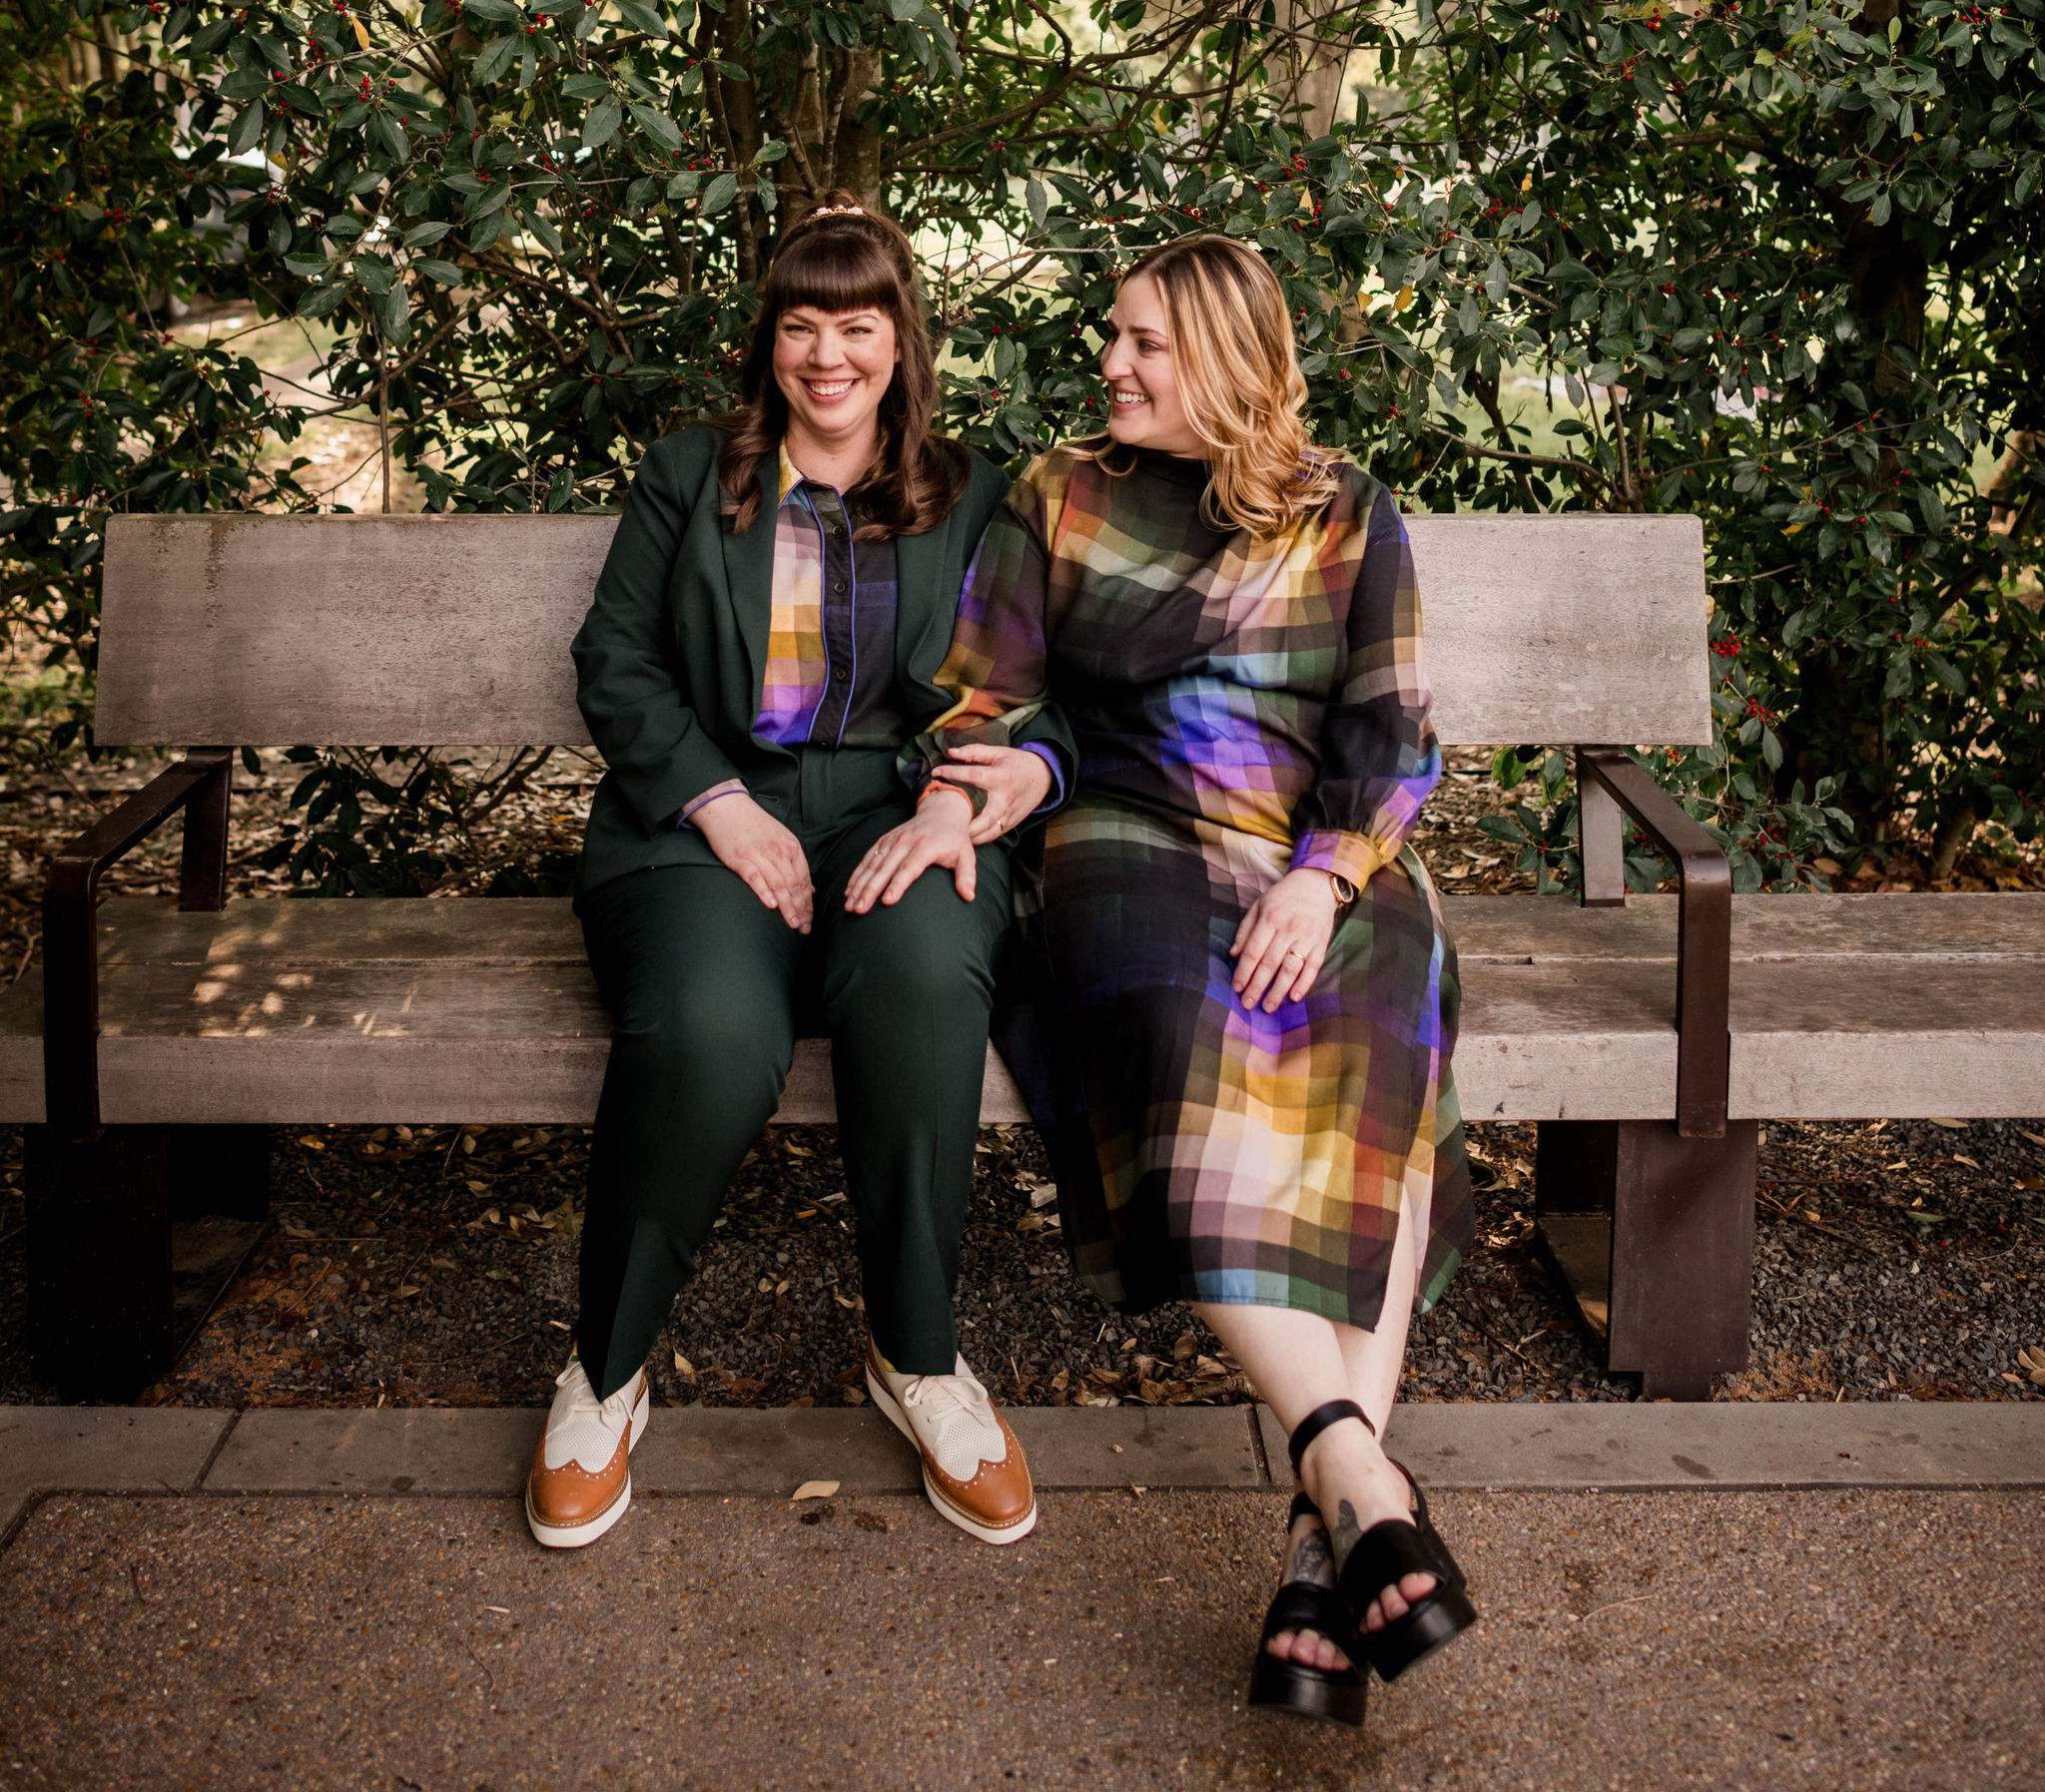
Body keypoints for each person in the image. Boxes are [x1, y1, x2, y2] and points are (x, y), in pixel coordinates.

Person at [913, 232, 1477, 1726]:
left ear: (1228, 355)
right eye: (1116, 336)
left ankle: (1327, 1540)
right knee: (1169, 1046)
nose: (1112, 362)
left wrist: (1327, 871)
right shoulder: (1059, 496)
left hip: (1313, 844)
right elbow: (1000, 698)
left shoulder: (1347, 510)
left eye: (1146, 342)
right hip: (1129, 836)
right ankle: (1359, 1465)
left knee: (1382, 1044)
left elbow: (1392, 729)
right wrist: (987, 794)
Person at [525, 196, 1062, 1551]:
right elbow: (616, 662)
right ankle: (605, 1369)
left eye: (859, 324)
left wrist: (957, 803)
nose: (830, 354)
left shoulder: (977, 490)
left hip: (902, 812)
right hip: (701, 818)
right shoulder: (691, 476)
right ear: (768, 340)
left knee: (927, 985)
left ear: (901, 341)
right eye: (802, 324)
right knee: (710, 1026)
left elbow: (1028, 687)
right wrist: (715, 800)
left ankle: (921, 1359)